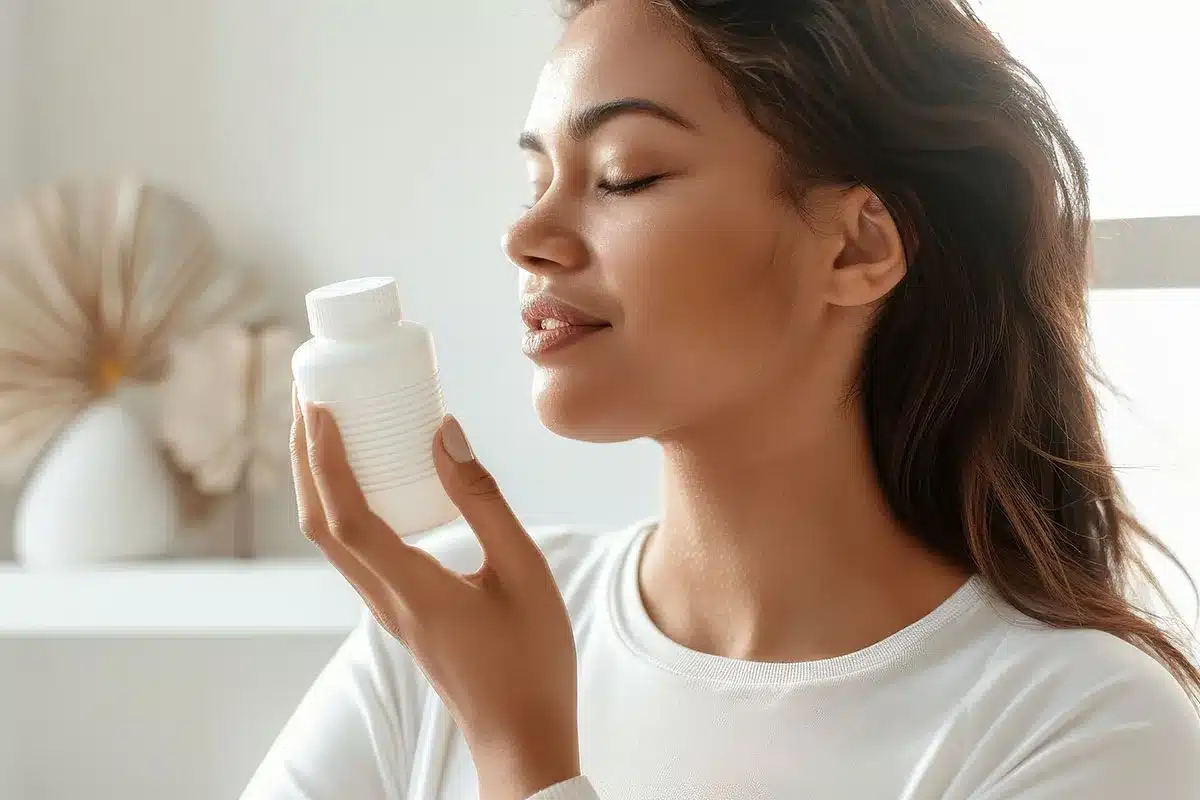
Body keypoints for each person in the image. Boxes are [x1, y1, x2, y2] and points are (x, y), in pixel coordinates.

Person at [241, 1, 1200, 798]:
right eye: (535, 179)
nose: (526, 235)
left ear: (858, 247)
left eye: (625, 175)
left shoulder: (1081, 724)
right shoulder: (453, 634)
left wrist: (523, 754)